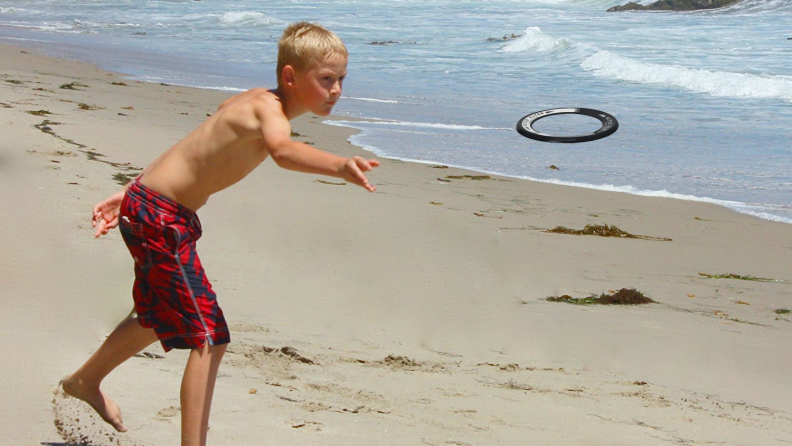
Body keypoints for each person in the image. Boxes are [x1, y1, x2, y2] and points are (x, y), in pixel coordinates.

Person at [61, 22, 378, 446]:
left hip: (155, 210)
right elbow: (283, 152)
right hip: (160, 218)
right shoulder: (269, 112)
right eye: (326, 79)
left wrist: (131, 189)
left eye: (341, 79)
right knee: (209, 335)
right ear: (290, 76)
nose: (337, 89)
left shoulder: (254, 99)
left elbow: (194, 146)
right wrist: (339, 166)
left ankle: (85, 381)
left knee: (158, 316)